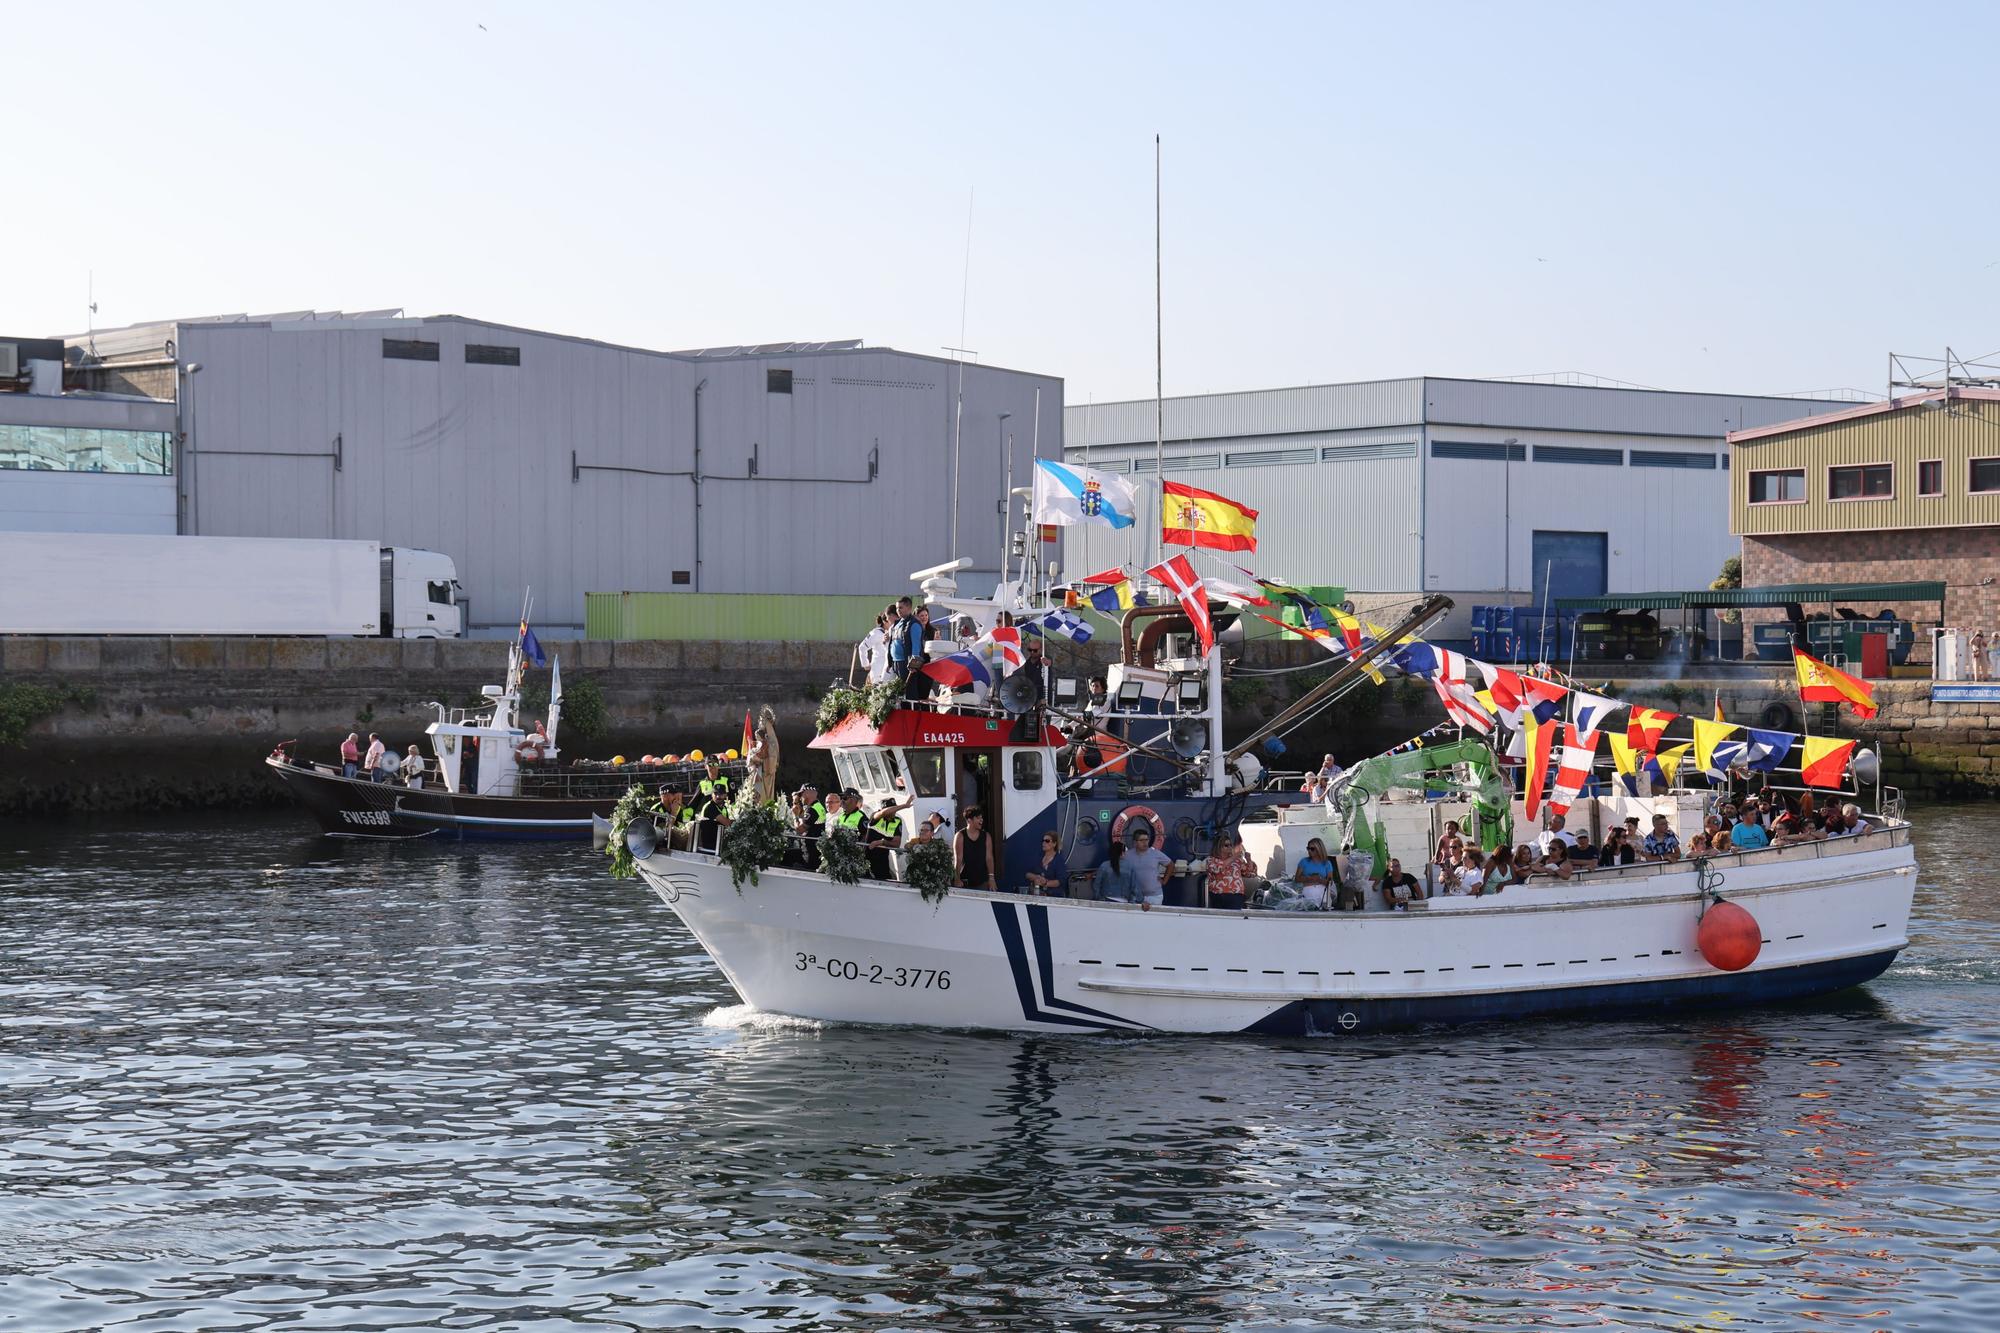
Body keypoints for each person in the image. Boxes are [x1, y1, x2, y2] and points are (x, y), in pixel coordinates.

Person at [1204, 831, 1256, 911]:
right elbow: (1217, 869)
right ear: (1218, 847)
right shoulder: (1212, 860)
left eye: (1230, 845)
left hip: (1235, 895)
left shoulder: (1237, 861)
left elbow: (1249, 873)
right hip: (1218, 895)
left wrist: (1248, 860)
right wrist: (1233, 857)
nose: (1229, 847)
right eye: (1226, 845)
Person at [1126, 825, 1173, 910]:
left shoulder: (1156, 854)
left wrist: (1164, 881)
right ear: (1135, 842)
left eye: (1146, 840)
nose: (1145, 843)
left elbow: (1170, 865)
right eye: (1141, 840)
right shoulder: (1127, 855)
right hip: (1134, 897)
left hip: (1155, 896)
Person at [865, 797, 913, 879]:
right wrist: (904, 806)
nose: (894, 811)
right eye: (892, 808)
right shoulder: (875, 816)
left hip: (883, 860)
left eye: (895, 808)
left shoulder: (897, 821)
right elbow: (883, 813)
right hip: (867, 857)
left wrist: (882, 842)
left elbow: (896, 844)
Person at [954, 805, 999, 890]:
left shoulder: (986, 836)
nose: (981, 820)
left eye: (981, 818)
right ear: (969, 820)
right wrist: (957, 878)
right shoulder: (960, 836)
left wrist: (991, 878)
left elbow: (989, 858)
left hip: (982, 881)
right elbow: (958, 858)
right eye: (978, 818)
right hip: (964, 881)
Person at [1024, 831, 1072, 898]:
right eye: (1043, 840)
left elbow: (1060, 881)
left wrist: (1045, 883)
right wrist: (1036, 877)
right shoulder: (1038, 857)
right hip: (1037, 895)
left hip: (1054, 897)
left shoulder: (1059, 861)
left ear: (1054, 844)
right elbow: (1027, 873)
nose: (1043, 843)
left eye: (1047, 841)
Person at [1294, 837, 1336, 910]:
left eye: (1312, 849)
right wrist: (1310, 878)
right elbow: (1297, 879)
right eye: (1308, 848)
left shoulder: (1327, 863)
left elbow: (1330, 882)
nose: (1309, 851)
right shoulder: (1304, 861)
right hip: (1308, 892)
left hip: (1322, 893)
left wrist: (1319, 879)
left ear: (1319, 849)